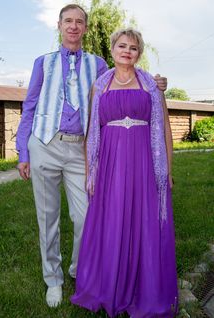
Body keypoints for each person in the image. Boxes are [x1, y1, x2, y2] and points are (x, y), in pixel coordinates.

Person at [16, 4, 168, 308]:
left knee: (85, 215)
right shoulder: (42, 63)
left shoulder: (98, 64)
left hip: (79, 148)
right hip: (44, 144)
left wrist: (158, 84)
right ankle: (54, 280)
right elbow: (29, 107)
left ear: (85, 28)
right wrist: (23, 150)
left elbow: (125, 78)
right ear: (58, 25)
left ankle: (78, 268)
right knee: (48, 218)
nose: (73, 26)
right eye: (68, 21)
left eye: (79, 22)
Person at [71, 28, 178, 317]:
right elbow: (93, 130)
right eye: (122, 45)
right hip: (110, 164)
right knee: (113, 218)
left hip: (144, 161)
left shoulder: (151, 85)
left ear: (139, 53)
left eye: (133, 47)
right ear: (113, 48)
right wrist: (89, 171)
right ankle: (110, 286)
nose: (127, 51)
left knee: (143, 219)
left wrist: (166, 167)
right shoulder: (100, 85)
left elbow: (164, 128)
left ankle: (144, 288)